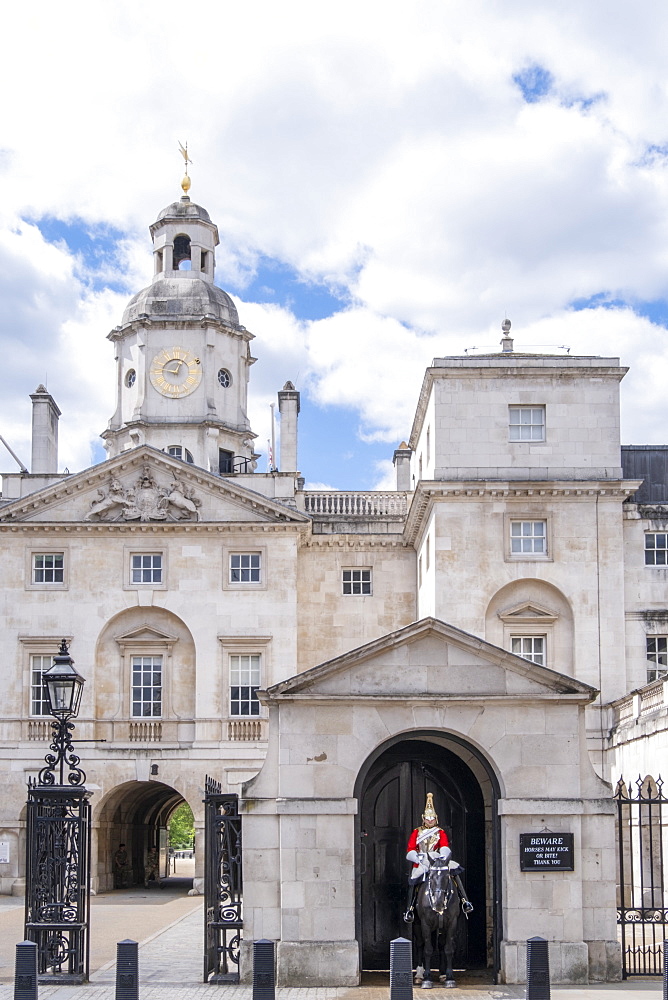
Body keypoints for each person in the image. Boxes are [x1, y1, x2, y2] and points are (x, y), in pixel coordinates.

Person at [403, 792, 473, 922]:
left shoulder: (440, 832)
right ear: (423, 818)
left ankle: (465, 901)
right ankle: (410, 909)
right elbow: (411, 848)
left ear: (436, 819)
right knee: (414, 880)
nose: (430, 821)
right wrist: (417, 858)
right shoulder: (416, 832)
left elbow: (445, 845)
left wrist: (442, 856)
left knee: (455, 872)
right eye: (428, 819)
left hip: (438, 860)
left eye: (432, 819)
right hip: (422, 860)